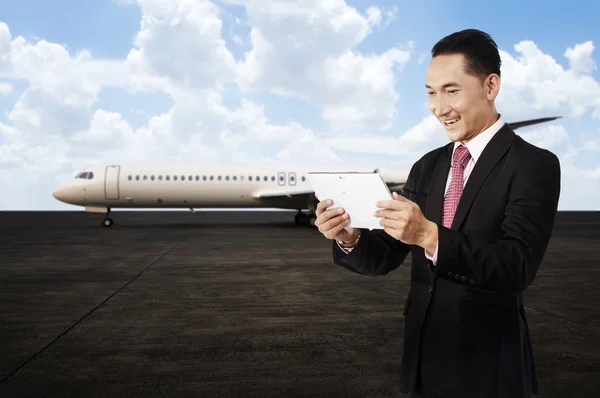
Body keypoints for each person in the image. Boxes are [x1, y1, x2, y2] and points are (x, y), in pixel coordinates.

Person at [314, 29, 561, 398]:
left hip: (489, 365)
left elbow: (517, 267)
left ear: (490, 86)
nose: (438, 107)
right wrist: (350, 239)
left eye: (452, 91)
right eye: (431, 93)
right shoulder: (427, 166)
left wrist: (430, 236)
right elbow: (385, 255)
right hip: (422, 361)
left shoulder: (532, 165)